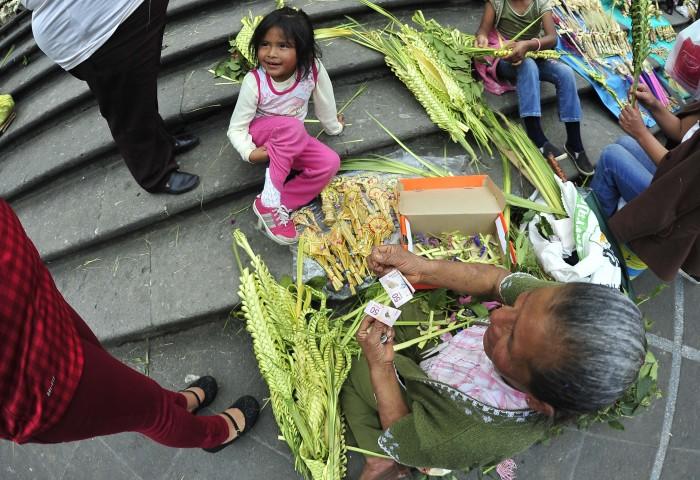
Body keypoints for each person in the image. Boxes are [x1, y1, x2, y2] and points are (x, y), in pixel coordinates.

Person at [342, 245, 645, 479]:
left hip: (426, 418)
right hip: (449, 355)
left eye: (511, 340)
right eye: (520, 305)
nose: (497, 316)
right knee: (403, 311)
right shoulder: (552, 315)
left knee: (358, 372)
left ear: (537, 402)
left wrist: (380, 365)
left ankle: (379, 458)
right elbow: (498, 281)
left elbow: (402, 431)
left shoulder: (465, 432)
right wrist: (424, 270)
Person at [0, 199, 259, 451]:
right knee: (153, 413)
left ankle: (178, 403)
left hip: (37, 302)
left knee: (132, 388)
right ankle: (215, 434)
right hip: (29, 371)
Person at [21, 0, 201, 194]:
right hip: (94, 33)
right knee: (126, 107)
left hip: (122, 16)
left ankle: (162, 142)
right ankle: (155, 174)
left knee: (140, 90)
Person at [227, 7, 344, 245]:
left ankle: (281, 202)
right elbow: (236, 128)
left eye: (283, 46)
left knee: (329, 163)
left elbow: (325, 102)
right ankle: (268, 201)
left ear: (302, 50)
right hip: (262, 135)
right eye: (264, 44)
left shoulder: (312, 69)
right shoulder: (255, 82)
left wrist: (333, 127)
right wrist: (249, 152)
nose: (271, 53)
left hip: (293, 139)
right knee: (292, 127)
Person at [474, 0, 594, 176]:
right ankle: (536, 135)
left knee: (565, 72)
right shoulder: (497, 3)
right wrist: (482, 38)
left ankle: (574, 143)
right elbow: (483, 31)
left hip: (531, 52)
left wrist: (528, 45)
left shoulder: (540, 4)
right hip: (504, 59)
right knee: (528, 66)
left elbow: (552, 38)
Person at [591, 86, 700, 218]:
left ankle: (595, 227)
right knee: (624, 142)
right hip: (675, 178)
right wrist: (653, 104)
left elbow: (682, 171)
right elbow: (681, 130)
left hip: (679, 208)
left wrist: (641, 133)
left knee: (611, 157)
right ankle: (607, 214)